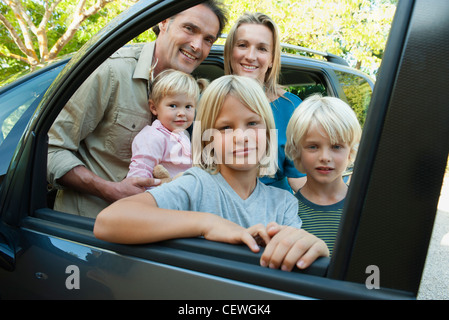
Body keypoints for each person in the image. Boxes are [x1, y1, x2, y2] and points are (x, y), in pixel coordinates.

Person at [94, 75, 329, 271]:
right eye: (226, 127)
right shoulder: (196, 185)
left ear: (268, 133)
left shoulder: (283, 203)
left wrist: (312, 248)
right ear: (208, 140)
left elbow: (296, 265)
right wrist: (209, 224)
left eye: (253, 123)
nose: (241, 136)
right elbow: (107, 222)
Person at [47, 1, 227, 218]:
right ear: (163, 22)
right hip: (88, 231)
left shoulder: (192, 95)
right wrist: (107, 189)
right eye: (189, 28)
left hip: (154, 234)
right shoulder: (113, 71)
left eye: (208, 39)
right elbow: (51, 149)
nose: (197, 45)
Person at [224, 12, 306, 193]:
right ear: (231, 51)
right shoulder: (208, 102)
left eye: (262, 49)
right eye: (243, 45)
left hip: (275, 215)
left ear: (271, 60)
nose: (251, 56)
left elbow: (300, 181)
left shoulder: (290, 108)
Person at [285, 94, 362, 255]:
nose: (325, 157)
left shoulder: (363, 208)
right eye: (313, 147)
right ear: (296, 151)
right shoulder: (286, 212)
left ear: (351, 151)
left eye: (336, 146)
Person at [127, 69, 207, 183]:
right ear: (154, 107)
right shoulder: (153, 137)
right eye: (173, 105)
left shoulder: (182, 134)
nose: (182, 113)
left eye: (188, 106)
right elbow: (139, 177)